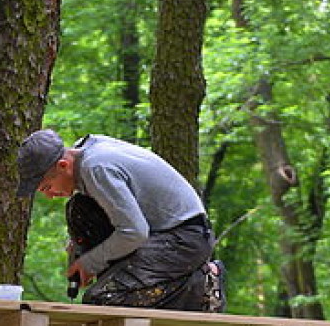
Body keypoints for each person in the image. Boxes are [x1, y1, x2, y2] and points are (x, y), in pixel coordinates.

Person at [17, 129, 225, 312]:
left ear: (63, 165)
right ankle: (122, 280)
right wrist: (81, 249)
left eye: (46, 187)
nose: (50, 196)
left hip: (186, 240)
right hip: (161, 232)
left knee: (102, 302)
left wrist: (90, 262)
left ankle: (202, 287)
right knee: (79, 209)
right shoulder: (85, 151)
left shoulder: (96, 169)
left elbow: (134, 232)